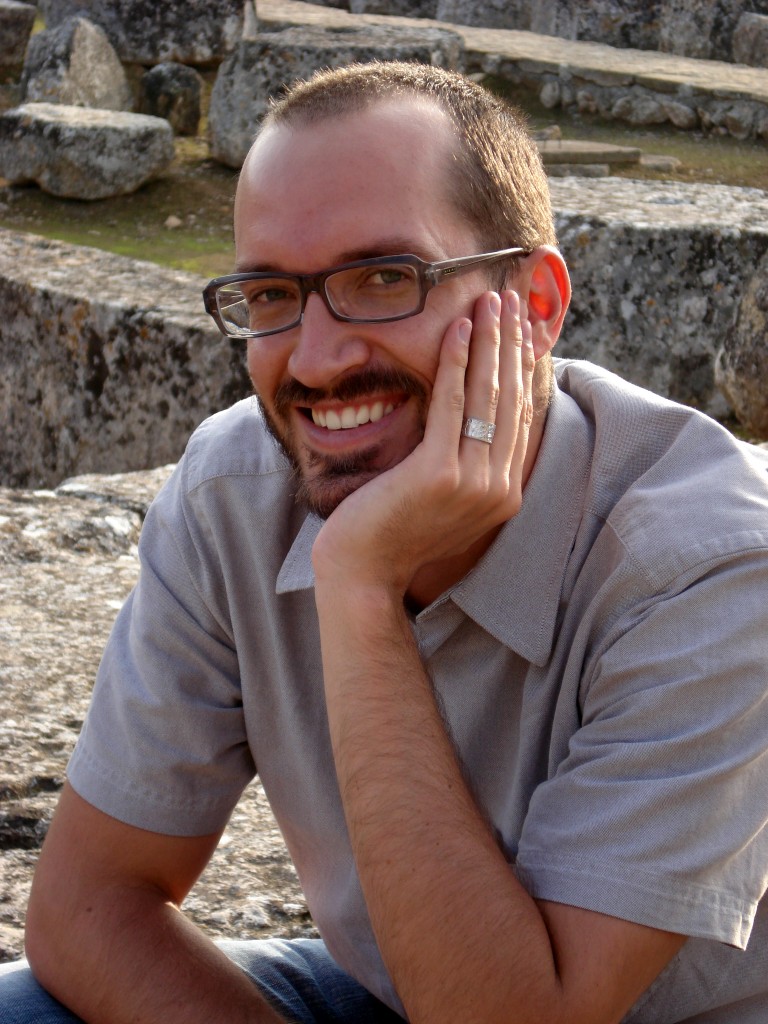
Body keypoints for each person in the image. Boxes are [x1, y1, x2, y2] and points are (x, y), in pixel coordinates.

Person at [1, 60, 767, 1024]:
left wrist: (361, 589)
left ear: (536, 304)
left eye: (384, 280)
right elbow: (87, 906)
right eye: (270, 294)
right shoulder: (236, 491)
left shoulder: (712, 566)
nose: (318, 361)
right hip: (399, 992)